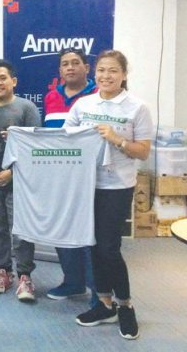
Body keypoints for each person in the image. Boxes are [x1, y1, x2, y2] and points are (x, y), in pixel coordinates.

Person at [65, 50, 152, 340]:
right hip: (85, 185)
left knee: (109, 249)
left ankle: (125, 305)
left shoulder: (137, 107)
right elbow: (67, 140)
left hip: (117, 186)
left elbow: (143, 151)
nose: (106, 76)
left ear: (124, 74)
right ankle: (104, 304)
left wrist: (117, 139)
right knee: (91, 245)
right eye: (101, 70)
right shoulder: (83, 104)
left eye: (113, 71)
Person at [0, 60, 40, 302]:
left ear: (13, 81)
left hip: (18, 180)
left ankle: (25, 276)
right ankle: (3, 272)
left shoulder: (26, 108)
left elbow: (35, 148)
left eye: (3, 78)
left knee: (21, 229)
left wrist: (11, 172)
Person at [43, 48, 99, 305]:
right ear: (59, 70)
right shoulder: (51, 97)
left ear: (87, 67)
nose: (70, 68)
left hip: (91, 177)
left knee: (91, 233)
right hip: (59, 176)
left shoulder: (98, 96)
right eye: (65, 64)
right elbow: (46, 138)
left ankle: (100, 289)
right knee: (62, 228)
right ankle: (73, 282)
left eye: (76, 63)